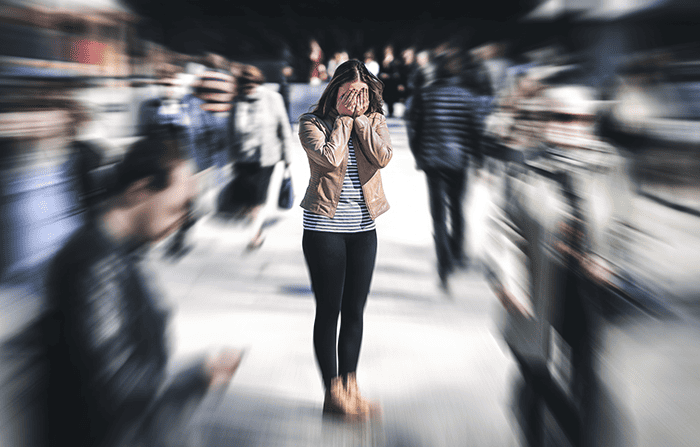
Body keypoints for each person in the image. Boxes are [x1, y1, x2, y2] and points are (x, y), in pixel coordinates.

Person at [40, 130, 244, 447]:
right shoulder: (94, 265)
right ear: (140, 191)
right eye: (178, 206)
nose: (183, 219)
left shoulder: (118, 253)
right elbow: (116, 386)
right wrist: (197, 376)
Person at [298, 59, 392, 420]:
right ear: (334, 91)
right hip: (324, 229)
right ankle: (332, 393)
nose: (356, 100)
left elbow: (382, 157)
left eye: (362, 94)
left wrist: (363, 122)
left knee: (355, 311)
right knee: (329, 311)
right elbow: (329, 159)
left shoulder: (376, 121)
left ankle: (351, 388)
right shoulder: (312, 123)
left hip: (364, 230)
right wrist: (343, 120)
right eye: (348, 93)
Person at [406, 53, 480, 293]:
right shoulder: (466, 96)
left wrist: (418, 154)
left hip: (433, 162)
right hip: (458, 161)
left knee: (438, 215)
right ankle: (457, 252)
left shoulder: (424, 95)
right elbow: (474, 130)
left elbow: (414, 128)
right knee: (457, 206)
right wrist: (478, 158)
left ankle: (443, 261)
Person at [228, 64, 294, 250]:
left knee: (258, 198)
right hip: (242, 157)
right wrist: (230, 157)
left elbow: (284, 128)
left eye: (251, 85)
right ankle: (253, 221)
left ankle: (255, 234)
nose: (248, 89)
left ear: (258, 82)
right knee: (250, 199)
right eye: (245, 86)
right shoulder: (237, 101)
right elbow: (230, 131)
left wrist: (287, 157)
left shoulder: (273, 99)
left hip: (266, 158)